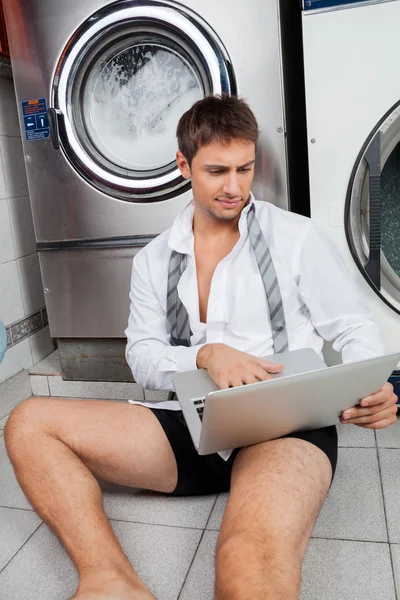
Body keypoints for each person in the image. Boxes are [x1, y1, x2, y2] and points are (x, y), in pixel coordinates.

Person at [4, 95, 397, 600]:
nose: (234, 187)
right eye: (216, 171)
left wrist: (371, 384)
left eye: (245, 168)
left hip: (282, 427)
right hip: (191, 423)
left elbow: (352, 328)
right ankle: (110, 579)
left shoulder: (297, 238)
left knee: (245, 563)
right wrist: (203, 356)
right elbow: (142, 358)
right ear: (184, 165)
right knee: (29, 422)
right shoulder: (153, 260)